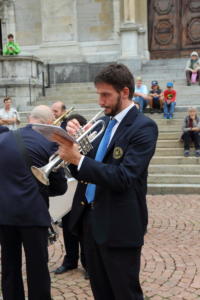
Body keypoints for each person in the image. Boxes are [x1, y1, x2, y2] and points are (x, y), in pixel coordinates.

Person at [52, 63, 158, 300]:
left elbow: (124, 177)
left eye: (106, 95)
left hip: (120, 226)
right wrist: (73, 147)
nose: (100, 102)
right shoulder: (106, 124)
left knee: (124, 293)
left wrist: (78, 160)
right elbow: (89, 169)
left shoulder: (144, 127)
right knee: (101, 292)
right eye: (99, 94)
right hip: (92, 223)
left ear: (125, 92)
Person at [0, 105, 67, 300]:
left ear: (29, 118)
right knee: (37, 268)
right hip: (33, 215)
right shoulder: (50, 144)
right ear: (48, 123)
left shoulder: (3, 139)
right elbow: (60, 187)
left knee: (9, 267)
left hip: (5, 214)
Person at [54, 113, 88, 279]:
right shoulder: (64, 143)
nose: (69, 131)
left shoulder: (89, 144)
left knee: (84, 230)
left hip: (83, 192)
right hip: (67, 192)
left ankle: (88, 264)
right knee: (68, 228)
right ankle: (70, 261)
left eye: (72, 128)